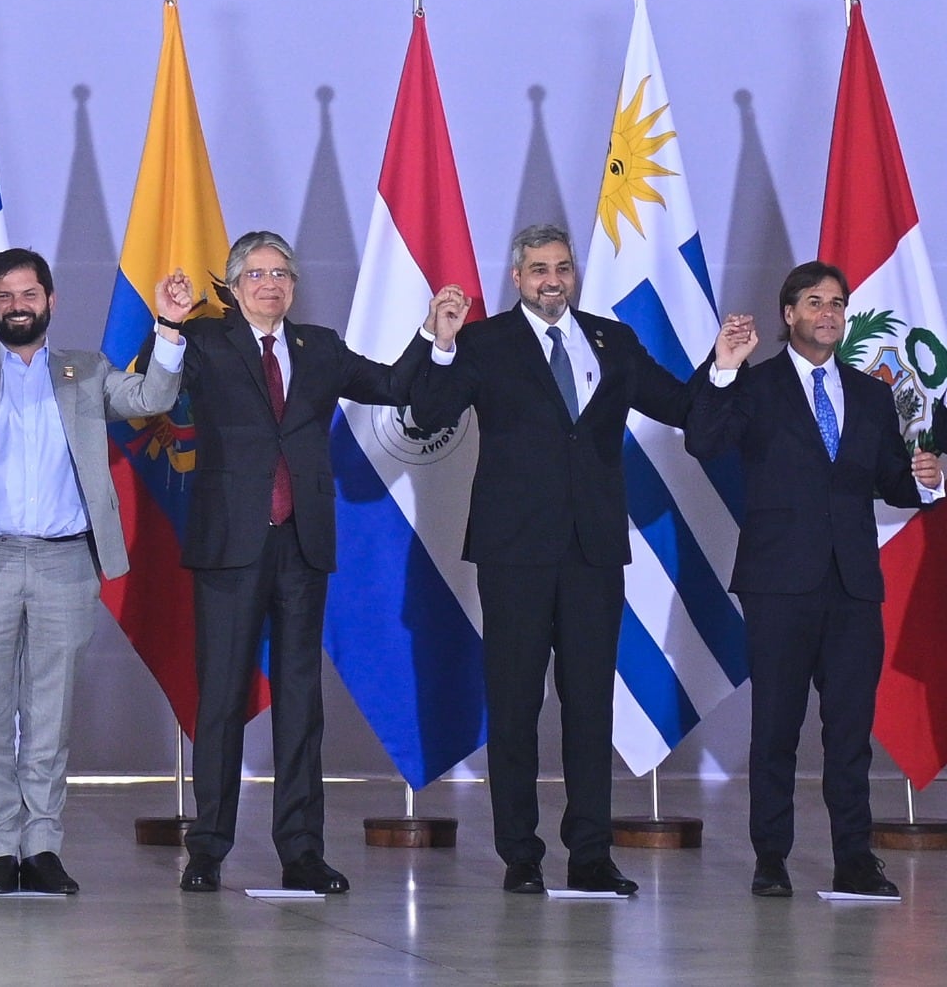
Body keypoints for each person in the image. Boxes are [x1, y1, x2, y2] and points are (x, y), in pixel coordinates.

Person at [413, 223, 737, 896]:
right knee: (514, 707)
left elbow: (681, 406)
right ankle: (520, 857)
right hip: (514, 552)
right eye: (538, 269)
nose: (552, 279)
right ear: (516, 277)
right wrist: (440, 345)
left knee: (590, 708)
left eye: (561, 267)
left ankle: (590, 855)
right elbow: (430, 413)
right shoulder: (482, 342)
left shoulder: (611, 339)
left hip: (593, 551)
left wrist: (724, 364)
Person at [0, 248, 189, 894]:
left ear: (50, 302)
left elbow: (152, 394)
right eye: (4, 296)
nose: (17, 305)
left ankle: (43, 846)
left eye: (29, 294)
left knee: (49, 711)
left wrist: (168, 329)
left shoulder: (88, 370)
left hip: (66, 561)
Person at [176, 230, 422, 896]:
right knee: (222, 701)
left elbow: (396, 384)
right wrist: (169, 329)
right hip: (231, 545)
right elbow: (156, 388)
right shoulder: (204, 342)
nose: (271, 284)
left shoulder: (321, 348)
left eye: (282, 272)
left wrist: (433, 334)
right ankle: (208, 849)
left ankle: (302, 851)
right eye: (256, 273)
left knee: (299, 702)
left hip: (301, 544)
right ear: (233, 285)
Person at [686, 261, 942, 898]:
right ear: (788, 314)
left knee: (850, 731)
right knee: (775, 728)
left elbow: (888, 481)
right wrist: (721, 368)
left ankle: (854, 859)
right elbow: (702, 439)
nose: (829, 313)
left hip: (853, 585)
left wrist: (925, 480)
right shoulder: (753, 385)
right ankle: (770, 859)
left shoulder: (871, 393)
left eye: (837, 302)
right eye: (815, 302)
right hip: (778, 583)